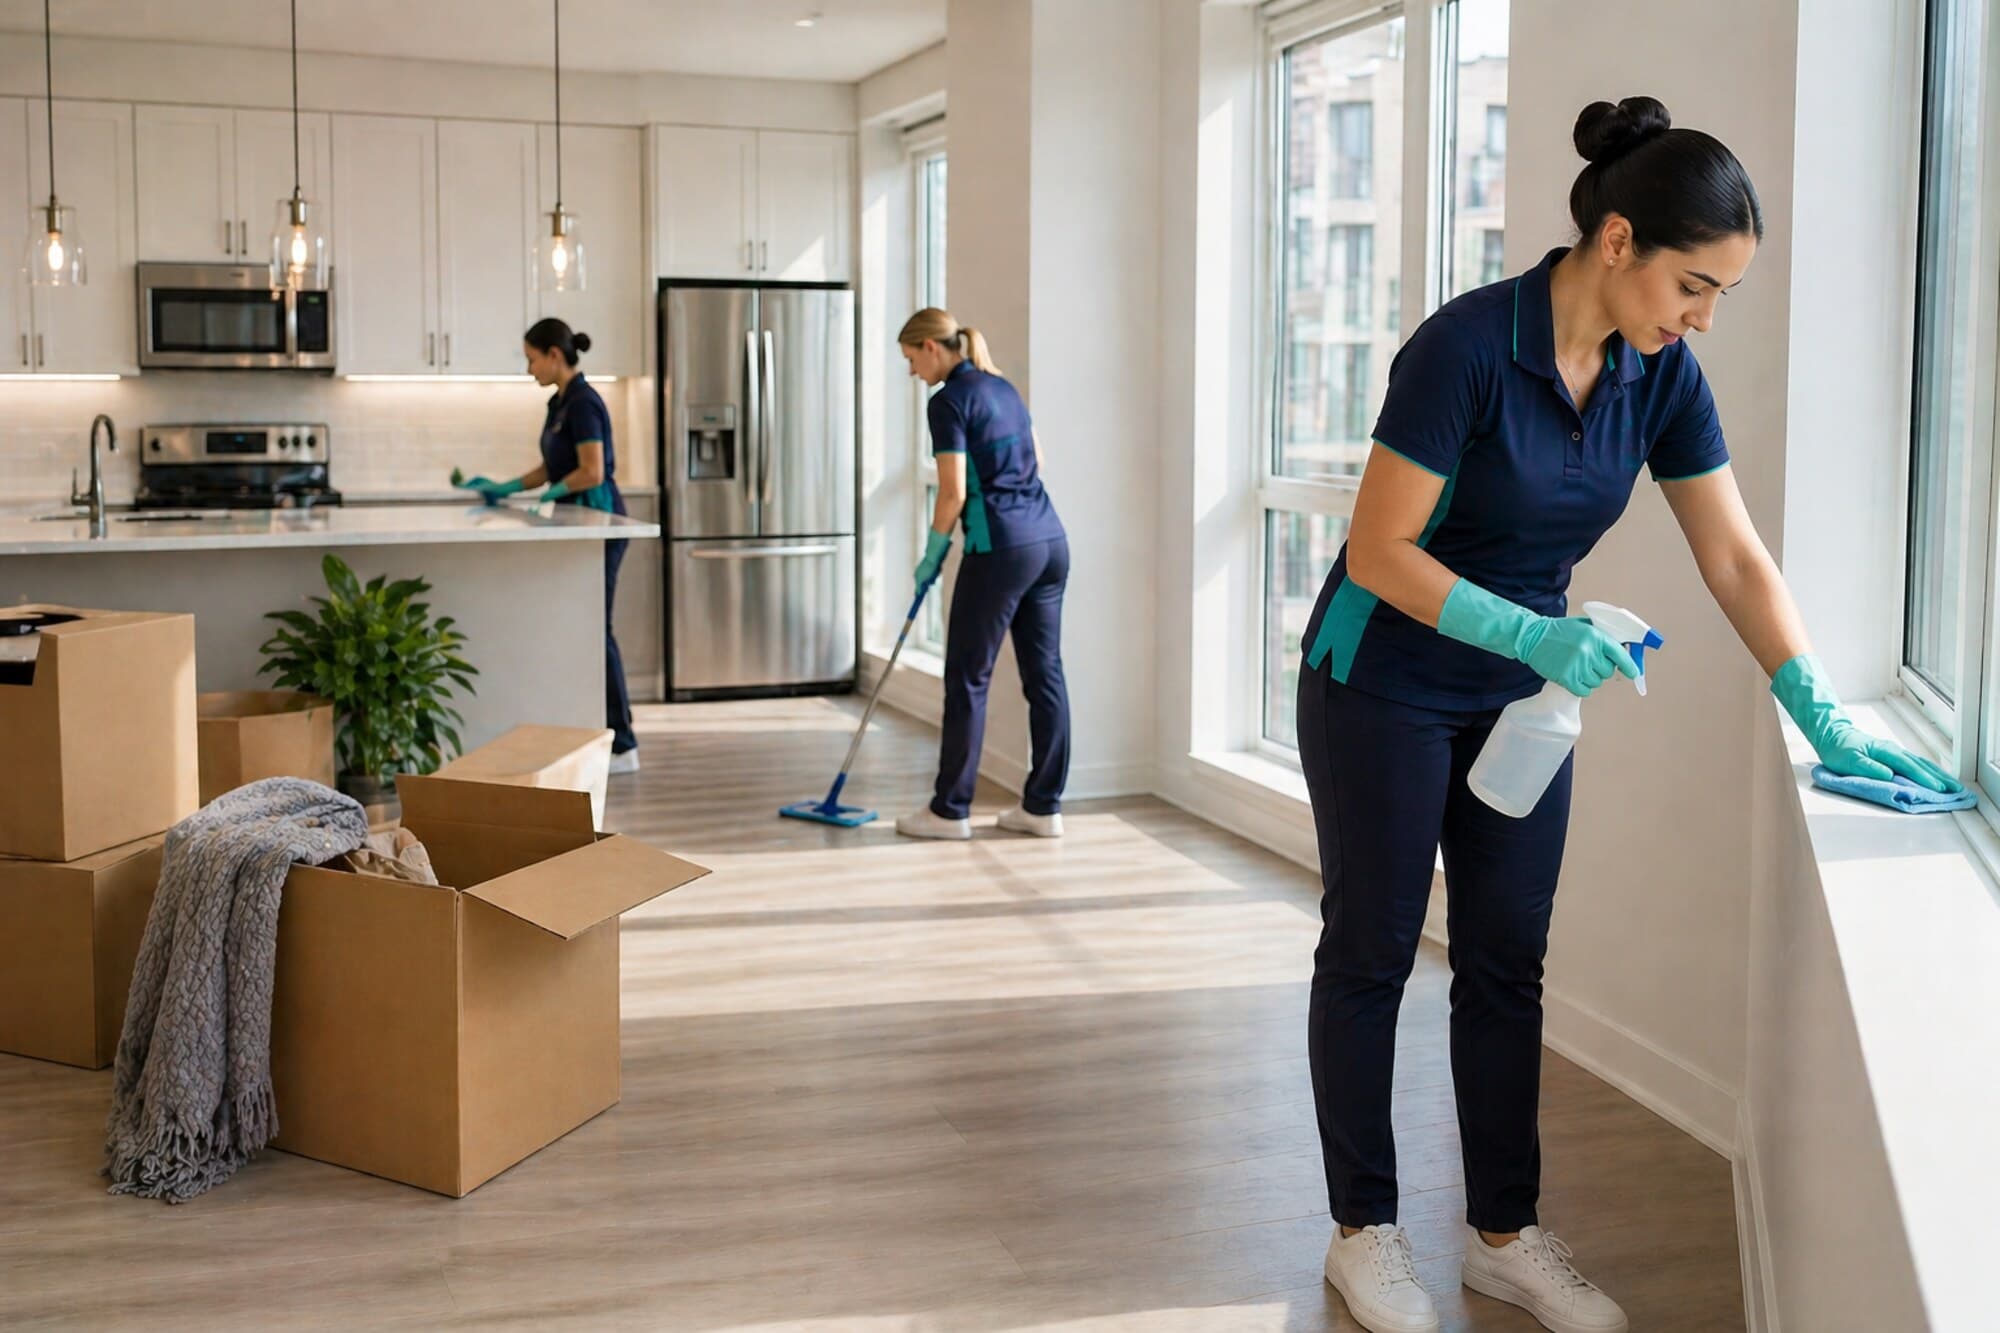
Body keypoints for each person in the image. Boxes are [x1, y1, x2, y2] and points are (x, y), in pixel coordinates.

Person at [1300, 97, 1960, 1333]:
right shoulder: (1462, 350)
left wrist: (1816, 709)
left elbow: (1733, 558)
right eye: (1692, 286)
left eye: (1718, 297)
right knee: (1372, 950)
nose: (1700, 317)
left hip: (1518, 696)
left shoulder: (1657, 378)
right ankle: (1363, 1232)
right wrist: (1529, 630)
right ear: (1615, 242)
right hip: (1380, 677)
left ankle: (1502, 1234)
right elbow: (1379, 551)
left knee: (1505, 958)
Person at [894, 308, 1072, 840]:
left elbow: (953, 492)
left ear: (931, 347)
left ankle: (949, 811)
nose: (911, 373)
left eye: (910, 360)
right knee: (1046, 676)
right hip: (1049, 540)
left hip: (1000, 549)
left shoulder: (947, 402)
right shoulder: (1003, 389)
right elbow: (1037, 461)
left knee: (967, 679)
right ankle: (1043, 807)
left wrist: (931, 554)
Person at [451, 318, 641, 774]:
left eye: (532, 357)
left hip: (601, 524)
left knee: (596, 630)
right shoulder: (559, 402)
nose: (528, 367)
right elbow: (550, 466)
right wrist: (508, 486)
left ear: (555, 354)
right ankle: (592, 732)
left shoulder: (584, 402)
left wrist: (554, 493)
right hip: (580, 526)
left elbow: (591, 471)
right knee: (580, 628)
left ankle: (625, 746)